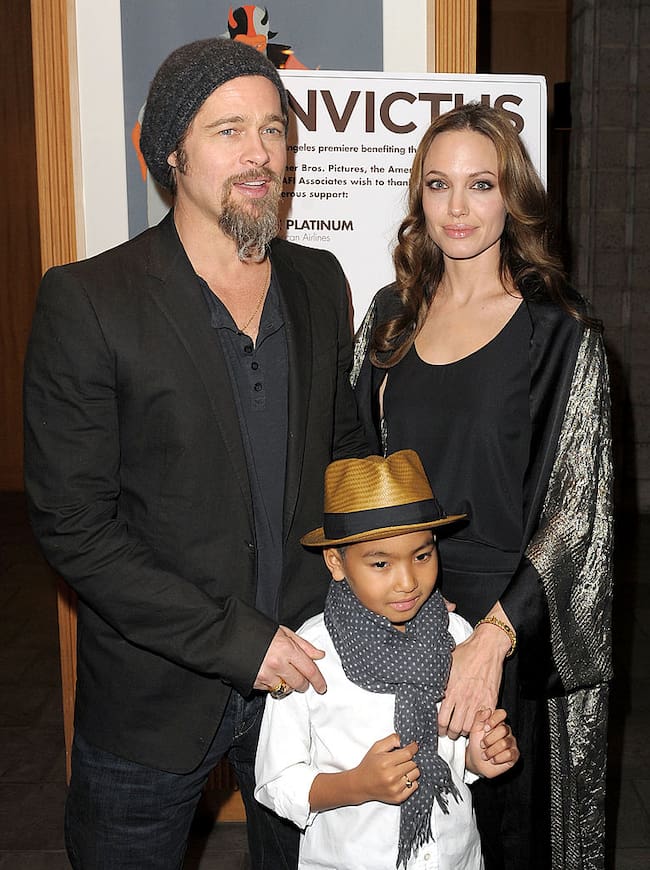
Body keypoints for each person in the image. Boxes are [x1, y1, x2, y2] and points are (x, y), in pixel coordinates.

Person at [23, 37, 368, 870]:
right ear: (171, 154)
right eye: (228, 130)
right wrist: (238, 641)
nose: (260, 153)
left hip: (308, 681)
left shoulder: (319, 281)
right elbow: (75, 526)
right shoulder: (89, 300)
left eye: (273, 129)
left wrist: (382, 570)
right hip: (151, 698)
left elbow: (347, 453)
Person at [352, 103, 613, 870]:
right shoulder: (390, 318)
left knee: (504, 839)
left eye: (481, 184)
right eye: (438, 184)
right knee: (402, 838)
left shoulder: (559, 333)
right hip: (400, 615)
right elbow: (359, 471)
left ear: (512, 197)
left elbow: (578, 513)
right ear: (419, 198)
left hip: (511, 634)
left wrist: (493, 637)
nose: (458, 208)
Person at [255, 450, 519, 869]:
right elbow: (276, 782)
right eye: (381, 563)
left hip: (454, 857)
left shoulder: (457, 636)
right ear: (336, 562)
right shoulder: (309, 654)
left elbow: (454, 754)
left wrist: (478, 757)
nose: (408, 581)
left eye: (422, 555)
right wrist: (356, 785)